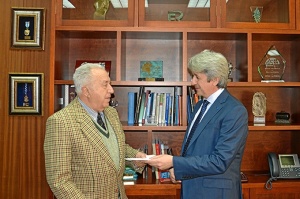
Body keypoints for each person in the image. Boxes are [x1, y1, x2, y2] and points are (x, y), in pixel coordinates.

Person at [145, 50, 248, 199]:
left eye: (197, 77)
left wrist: (174, 161)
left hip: (217, 194)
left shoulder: (235, 111)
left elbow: (219, 161)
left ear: (214, 79)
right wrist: (178, 169)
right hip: (191, 189)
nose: (192, 82)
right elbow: (194, 151)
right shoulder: (200, 106)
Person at [44, 63, 146, 199]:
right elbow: (59, 181)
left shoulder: (111, 114)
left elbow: (113, 148)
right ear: (86, 91)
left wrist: (135, 156)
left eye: (110, 84)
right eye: (105, 85)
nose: (111, 90)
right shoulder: (61, 122)